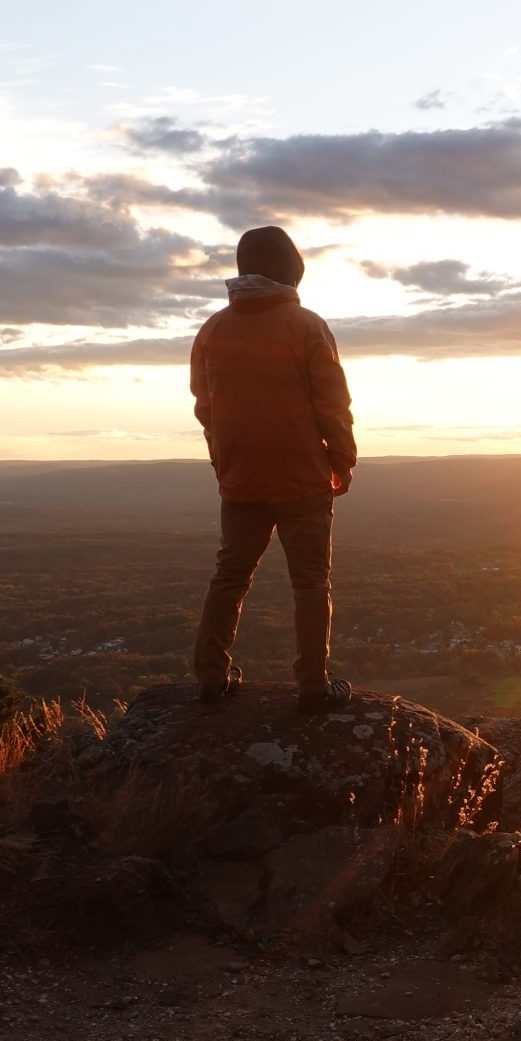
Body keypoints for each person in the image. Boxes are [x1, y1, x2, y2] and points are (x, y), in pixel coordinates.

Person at [189, 225, 356, 712]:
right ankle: (312, 685)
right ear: (291, 268)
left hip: (240, 478)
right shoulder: (306, 326)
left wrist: (224, 462)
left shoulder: (213, 330)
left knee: (230, 576)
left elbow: (205, 408)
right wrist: (342, 460)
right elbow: (333, 403)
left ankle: (211, 677)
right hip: (303, 476)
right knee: (310, 581)